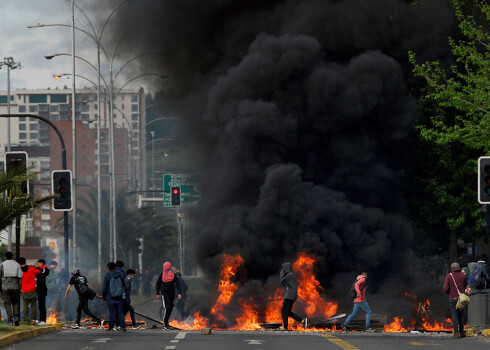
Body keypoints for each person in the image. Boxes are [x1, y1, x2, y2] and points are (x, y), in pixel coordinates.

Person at [443, 262, 470, 338]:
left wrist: (450, 293)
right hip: (461, 299)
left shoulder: (449, 276)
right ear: (459, 268)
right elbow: (466, 286)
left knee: (455, 316)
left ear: (452, 268)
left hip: (453, 299)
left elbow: (445, 288)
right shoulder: (463, 276)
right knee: (461, 316)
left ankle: (456, 333)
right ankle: (462, 332)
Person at [278, 262, 306, 331]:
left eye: (284, 268)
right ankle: (302, 321)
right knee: (288, 312)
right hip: (291, 296)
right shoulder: (291, 275)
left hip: (289, 296)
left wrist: (281, 273)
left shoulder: (290, 275)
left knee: (284, 311)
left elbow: (282, 281)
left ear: (287, 268)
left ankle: (285, 327)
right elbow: (285, 284)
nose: (283, 269)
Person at [156, 261, 182, 330]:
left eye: (165, 266)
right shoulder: (162, 275)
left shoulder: (173, 275)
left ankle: (167, 323)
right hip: (164, 294)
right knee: (167, 307)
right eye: (163, 267)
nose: (164, 268)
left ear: (169, 267)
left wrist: (179, 293)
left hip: (171, 294)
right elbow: (158, 284)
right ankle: (165, 324)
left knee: (170, 308)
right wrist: (157, 293)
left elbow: (178, 283)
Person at [102, 262, 126, 332]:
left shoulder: (107, 275)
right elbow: (124, 284)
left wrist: (104, 297)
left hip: (110, 297)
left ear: (108, 268)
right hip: (119, 296)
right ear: (115, 267)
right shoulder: (120, 274)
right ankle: (122, 327)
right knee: (120, 312)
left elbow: (104, 288)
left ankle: (111, 327)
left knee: (111, 312)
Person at [0, 252, 23, 325]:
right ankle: (16, 318)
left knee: (7, 303)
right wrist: (20, 288)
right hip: (15, 286)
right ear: (12, 257)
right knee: (15, 302)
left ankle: (10, 320)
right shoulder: (17, 264)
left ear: (5, 257)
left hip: (5, 287)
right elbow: (20, 278)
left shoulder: (2, 264)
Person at [18, 257, 41, 323]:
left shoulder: (19, 270)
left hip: (24, 290)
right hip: (32, 289)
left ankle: (25, 319)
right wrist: (37, 267)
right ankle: (33, 319)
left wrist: (20, 289)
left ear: (19, 263)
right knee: (33, 305)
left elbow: (19, 281)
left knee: (25, 306)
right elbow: (39, 271)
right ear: (25, 262)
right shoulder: (31, 268)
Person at [35, 259, 50, 325]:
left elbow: (41, 275)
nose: (37, 265)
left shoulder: (44, 269)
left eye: (38, 264)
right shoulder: (39, 269)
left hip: (42, 289)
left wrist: (38, 270)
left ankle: (43, 319)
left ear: (41, 264)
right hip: (38, 288)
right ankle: (40, 318)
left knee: (42, 304)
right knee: (39, 304)